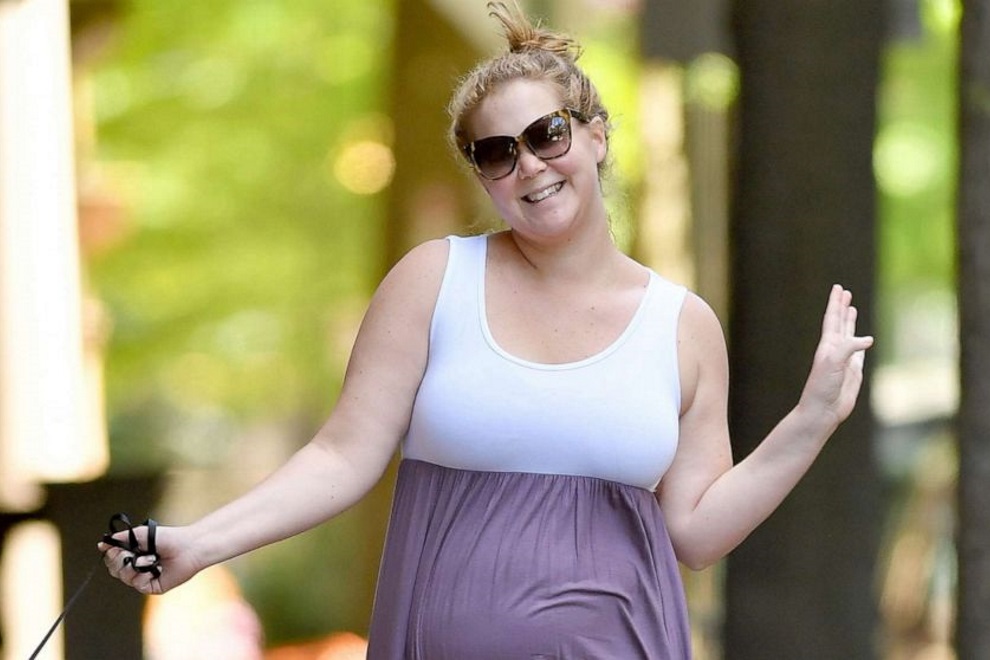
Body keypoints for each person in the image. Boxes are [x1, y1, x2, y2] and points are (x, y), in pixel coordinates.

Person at [100, 2, 874, 657]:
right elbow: (339, 456)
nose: (529, 165)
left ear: (596, 136)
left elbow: (698, 535)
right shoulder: (435, 282)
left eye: (547, 134)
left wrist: (811, 420)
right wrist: (200, 543)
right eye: (497, 153)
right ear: (481, 176)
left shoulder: (682, 326)